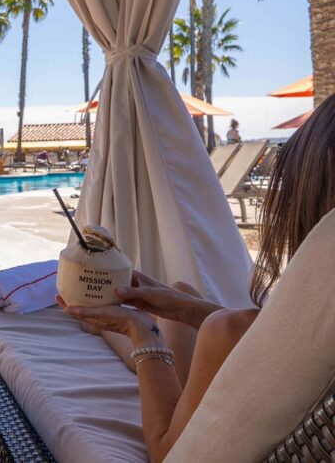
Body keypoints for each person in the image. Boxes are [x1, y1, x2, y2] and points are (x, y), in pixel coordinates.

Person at [56, 93, 335, 462]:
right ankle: (106, 324)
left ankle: (111, 325)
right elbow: (275, 343)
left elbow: (164, 452)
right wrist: (187, 309)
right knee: (182, 295)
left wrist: (140, 332)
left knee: (196, 324)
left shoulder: (230, 331)